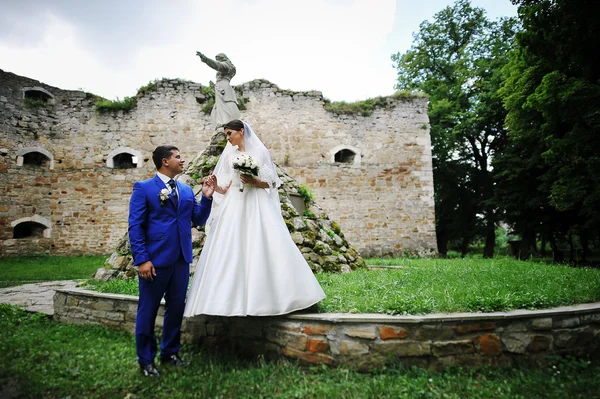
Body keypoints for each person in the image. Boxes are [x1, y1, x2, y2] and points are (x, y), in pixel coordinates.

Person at [184, 120, 326, 317]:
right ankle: (222, 301)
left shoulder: (260, 152)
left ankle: (276, 298)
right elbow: (226, 188)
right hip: (234, 204)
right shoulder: (230, 155)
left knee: (264, 243)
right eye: (226, 134)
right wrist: (216, 187)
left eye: (230, 133)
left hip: (257, 202)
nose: (228, 138)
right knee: (230, 246)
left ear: (241, 132)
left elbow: (272, 183)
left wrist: (255, 182)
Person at [128, 145, 216, 377]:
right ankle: (146, 360)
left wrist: (206, 198)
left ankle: (170, 353)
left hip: (181, 259)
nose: (182, 159)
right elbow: (135, 226)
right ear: (165, 161)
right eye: (178, 156)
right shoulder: (144, 188)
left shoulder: (186, 190)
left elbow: (197, 219)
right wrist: (142, 259)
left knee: (176, 308)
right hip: (155, 260)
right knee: (148, 310)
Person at [196, 51, 241, 128]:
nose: (217, 61)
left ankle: (225, 121)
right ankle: (223, 122)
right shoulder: (228, 67)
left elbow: (217, 66)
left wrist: (206, 59)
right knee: (217, 109)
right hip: (221, 87)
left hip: (223, 87)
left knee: (225, 104)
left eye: (218, 59)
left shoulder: (226, 66)